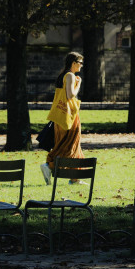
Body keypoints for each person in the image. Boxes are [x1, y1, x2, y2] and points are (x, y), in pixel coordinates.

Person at [40, 51, 85, 185]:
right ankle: (49, 165)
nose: (81, 66)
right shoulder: (70, 75)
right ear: (74, 63)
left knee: (68, 144)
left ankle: (74, 178)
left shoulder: (63, 75)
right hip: (69, 116)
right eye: (80, 63)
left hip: (60, 116)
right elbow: (71, 95)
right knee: (70, 144)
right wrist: (79, 84)